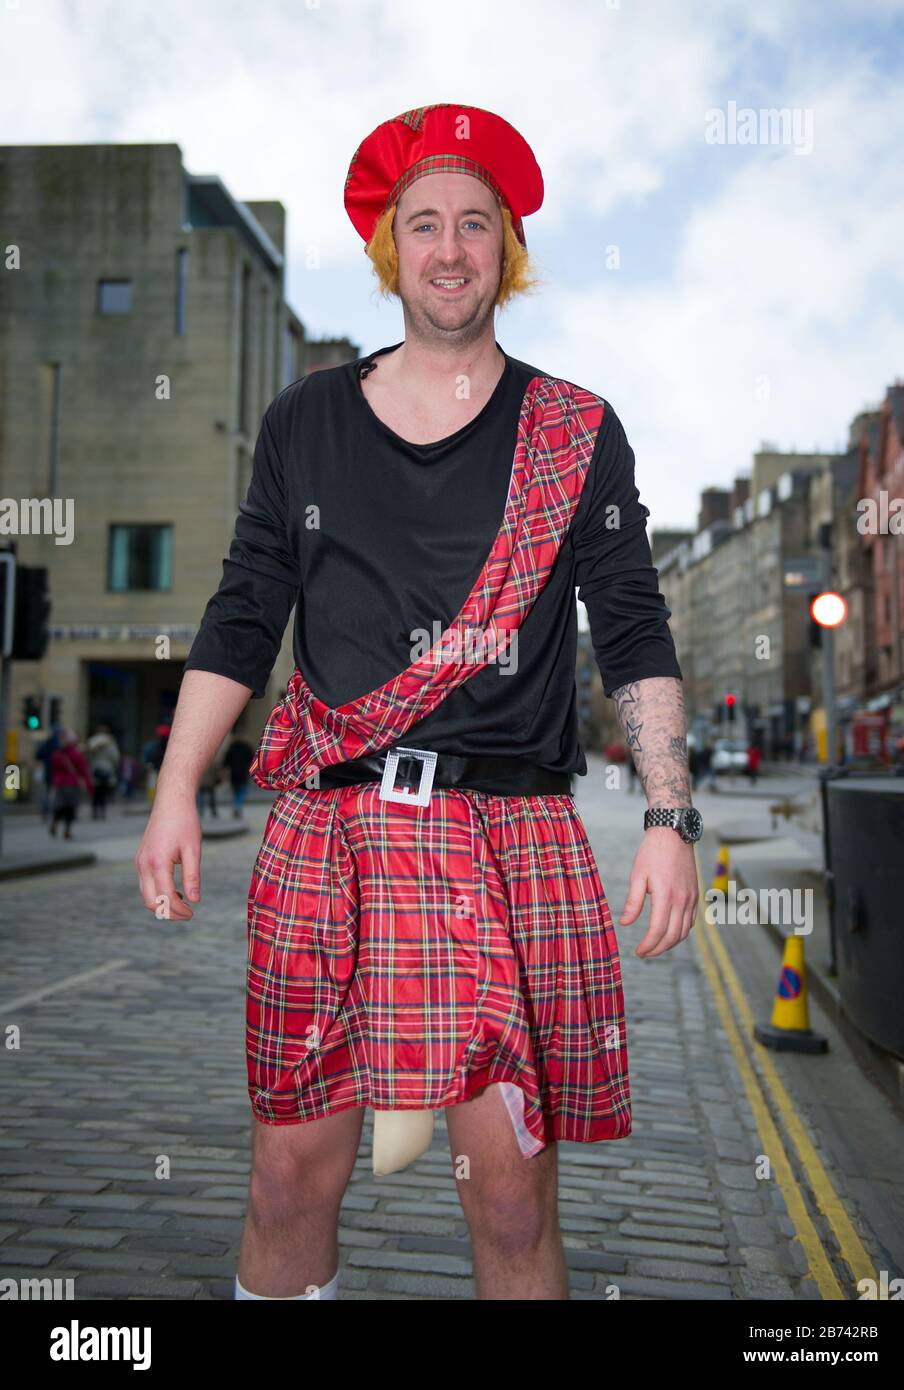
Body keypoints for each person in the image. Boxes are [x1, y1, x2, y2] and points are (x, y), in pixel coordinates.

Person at [135, 103, 703, 1303]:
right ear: (393, 248)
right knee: (288, 1179)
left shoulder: (576, 431)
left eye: (476, 225)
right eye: (425, 224)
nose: (450, 249)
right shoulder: (304, 422)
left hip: (509, 837)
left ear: (508, 248)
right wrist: (177, 785)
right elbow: (244, 612)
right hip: (328, 834)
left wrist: (669, 814)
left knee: (506, 1195)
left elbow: (634, 626)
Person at [49, 728, 94, 839]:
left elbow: (53, 769)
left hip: (60, 783)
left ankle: (54, 822)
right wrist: (89, 786)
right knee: (71, 807)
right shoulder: (77, 754)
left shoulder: (57, 754)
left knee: (59, 805)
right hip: (72, 784)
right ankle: (67, 831)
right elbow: (83, 771)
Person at [87, 723, 121, 819]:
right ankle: (102, 811)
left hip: (95, 769)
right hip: (107, 768)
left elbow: (87, 756)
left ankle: (94, 811)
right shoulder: (110, 741)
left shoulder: (92, 741)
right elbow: (115, 757)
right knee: (103, 791)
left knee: (95, 791)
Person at [224, 732, 255, 818]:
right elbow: (253, 760)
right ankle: (237, 806)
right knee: (242, 792)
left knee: (236, 792)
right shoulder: (247, 747)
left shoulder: (232, 748)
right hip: (243, 774)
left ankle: (236, 806)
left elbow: (226, 762)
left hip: (234, 774)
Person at [35, 723, 61, 820]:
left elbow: (38, 756)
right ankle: (53, 811)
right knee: (55, 792)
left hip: (48, 770)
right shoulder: (60, 745)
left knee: (47, 792)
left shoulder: (46, 743)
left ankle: (45, 810)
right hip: (58, 772)